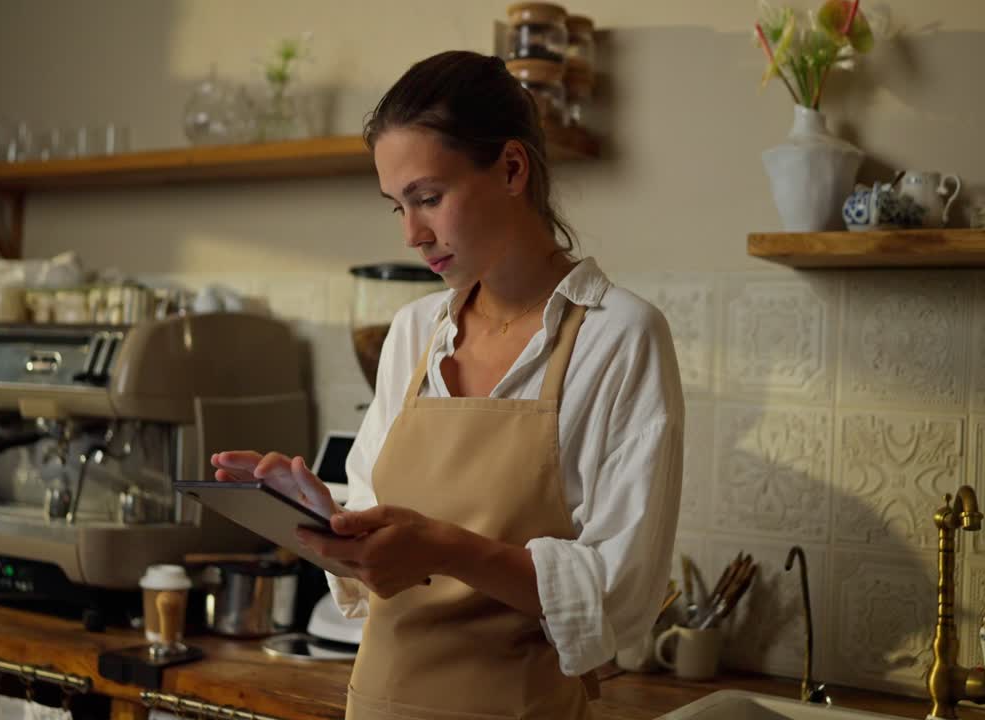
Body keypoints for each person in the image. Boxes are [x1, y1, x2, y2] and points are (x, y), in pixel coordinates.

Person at [211, 50, 684, 720]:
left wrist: (447, 548)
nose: (412, 233)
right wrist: (322, 519)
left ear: (513, 169)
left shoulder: (619, 337)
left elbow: (619, 597)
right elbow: (377, 566)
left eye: (429, 198)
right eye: (396, 206)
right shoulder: (413, 332)